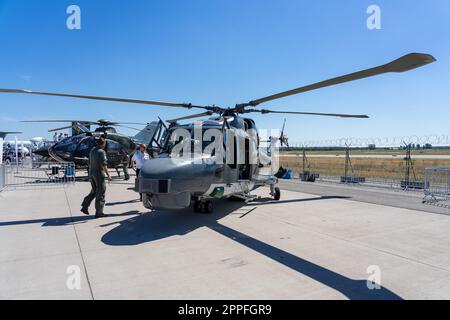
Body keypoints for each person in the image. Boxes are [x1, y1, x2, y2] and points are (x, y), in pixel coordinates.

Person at [81, 137, 112, 218]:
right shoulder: (101, 152)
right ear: (103, 143)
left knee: (94, 191)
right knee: (101, 192)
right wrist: (108, 175)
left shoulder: (92, 151)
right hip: (99, 173)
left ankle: (85, 206)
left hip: (91, 173)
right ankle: (99, 212)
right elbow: (104, 164)